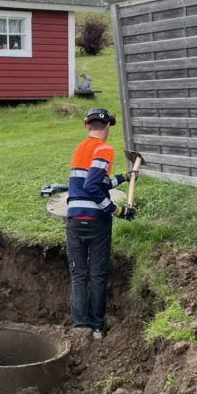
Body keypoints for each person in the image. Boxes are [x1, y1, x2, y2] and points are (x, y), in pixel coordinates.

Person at [66, 109, 136, 340]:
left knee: (78, 275)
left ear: (87, 126)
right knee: (97, 275)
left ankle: (80, 328)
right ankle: (96, 328)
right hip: (97, 222)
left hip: (75, 220)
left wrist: (123, 177)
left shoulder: (80, 148)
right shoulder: (104, 149)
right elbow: (92, 186)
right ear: (107, 127)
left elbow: (97, 181)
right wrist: (117, 211)